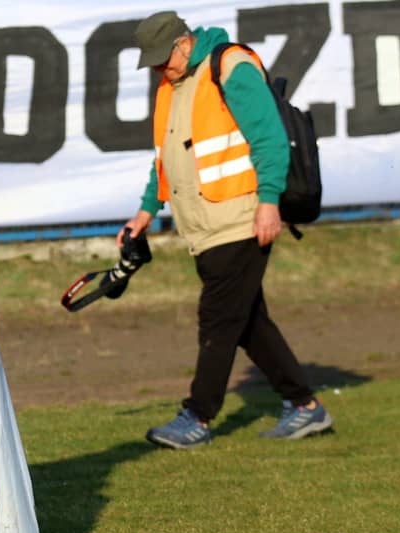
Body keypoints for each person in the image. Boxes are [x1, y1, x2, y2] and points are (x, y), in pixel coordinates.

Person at [122, 11, 332, 449]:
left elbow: (269, 138)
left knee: (218, 319)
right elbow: (165, 158)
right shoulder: (173, 84)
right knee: (248, 321)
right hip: (204, 225)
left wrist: (269, 202)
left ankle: (197, 416)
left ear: (183, 44)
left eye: (162, 59)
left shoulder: (231, 67)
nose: (159, 68)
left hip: (240, 217)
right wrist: (145, 211)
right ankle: (305, 405)